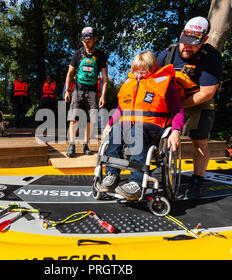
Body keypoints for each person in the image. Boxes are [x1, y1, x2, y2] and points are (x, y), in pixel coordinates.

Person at [99, 51, 184, 201]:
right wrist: (110, 123)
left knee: (137, 130)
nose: (138, 75)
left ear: (152, 69)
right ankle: (112, 174)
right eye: (135, 71)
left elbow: (177, 110)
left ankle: (137, 182)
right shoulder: (129, 84)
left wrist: (176, 131)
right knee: (118, 129)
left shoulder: (164, 85)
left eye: (143, 71)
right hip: (130, 128)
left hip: (154, 129)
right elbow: (121, 108)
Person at [157, 16, 222, 199]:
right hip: (170, 99)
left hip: (198, 99)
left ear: (204, 40)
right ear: (181, 35)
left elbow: (206, 93)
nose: (187, 47)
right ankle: (156, 172)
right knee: (156, 132)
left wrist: (179, 106)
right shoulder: (166, 55)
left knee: (199, 140)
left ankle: (197, 181)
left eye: (194, 43)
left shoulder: (211, 58)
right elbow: (152, 83)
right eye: (185, 41)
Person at [64, 26, 109, 157]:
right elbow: (70, 73)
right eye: (84, 41)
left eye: (89, 41)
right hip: (77, 90)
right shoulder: (77, 53)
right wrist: (67, 91)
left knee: (91, 119)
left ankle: (85, 144)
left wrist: (103, 96)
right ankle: (72, 145)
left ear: (95, 39)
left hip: (93, 92)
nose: (86, 43)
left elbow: (105, 78)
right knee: (73, 118)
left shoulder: (100, 55)